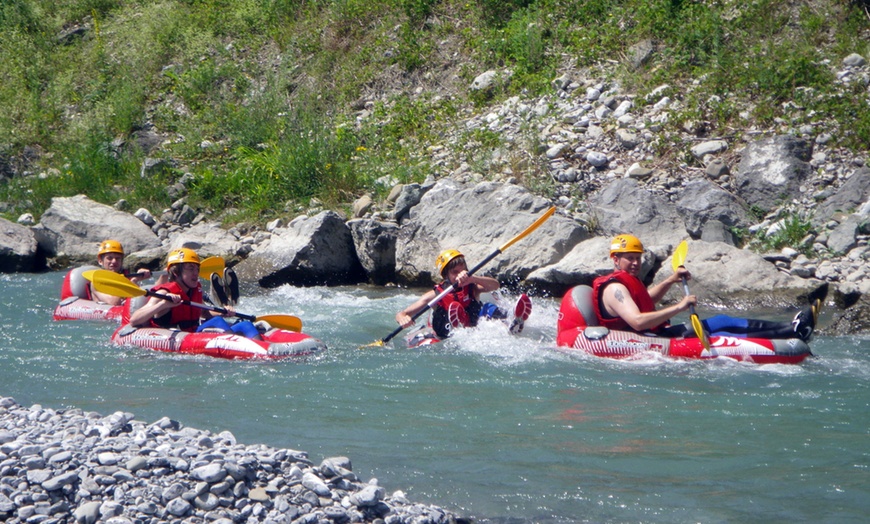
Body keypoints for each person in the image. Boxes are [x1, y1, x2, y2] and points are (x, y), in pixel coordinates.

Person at [593, 234, 827, 342]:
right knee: (721, 326)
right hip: (648, 338)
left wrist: (669, 281)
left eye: (638, 258)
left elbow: (645, 302)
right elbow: (637, 322)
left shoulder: (625, 283)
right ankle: (791, 331)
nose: (635, 263)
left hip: (654, 333)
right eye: (629, 258)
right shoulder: (614, 289)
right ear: (616, 260)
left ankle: (790, 329)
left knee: (723, 322)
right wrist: (679, 306)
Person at [396, 249, 530, 338]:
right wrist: (403, 318)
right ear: (446, 275)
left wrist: (473, 278)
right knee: (452, 309)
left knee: (487, 307)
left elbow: (495, 285)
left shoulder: (472, 286)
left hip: (473, 323)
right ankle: (459, 320)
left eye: (463, 270)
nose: (460, 274)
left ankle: (513, 320)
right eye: (455, 272)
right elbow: (402, 314)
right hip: (447, 330)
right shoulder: (436, 295)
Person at [129, 248, 260, 339]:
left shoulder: (195, 290)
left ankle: (263, 353)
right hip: (172, 335)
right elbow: (134, 320)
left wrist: (223, 311)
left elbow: (204, 312)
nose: (195, 273)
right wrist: (163, 304)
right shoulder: (164, 292)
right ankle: (236, 347)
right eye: (190, 268)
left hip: (193, 332)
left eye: (197, 268)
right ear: (176, 272)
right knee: (218, 322)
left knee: (246, 325)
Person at [89, 240, 152, 305]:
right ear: (100, 261)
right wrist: (133, 282)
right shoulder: (96, 282)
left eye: (118, 258)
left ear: (122, 261)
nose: (114, 261)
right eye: (109, 258)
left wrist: (140, 278)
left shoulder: (126, 276)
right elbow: (115, 302)